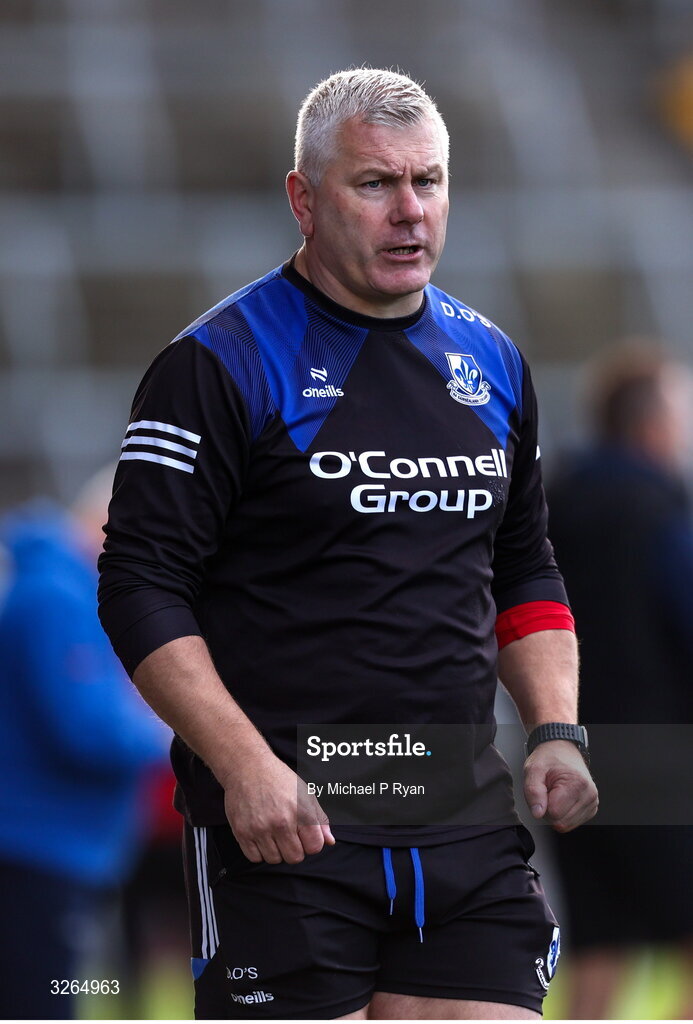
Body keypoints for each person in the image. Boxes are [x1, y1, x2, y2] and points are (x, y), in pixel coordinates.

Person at [98, 68, 598, 1021]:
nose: (410, 211)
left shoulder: (490, 362)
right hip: (289, 830)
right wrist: (244, 769)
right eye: (375, 184)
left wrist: (556, 729)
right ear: (303, 198)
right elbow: (138, 586)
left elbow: (524, 569)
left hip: (463, 827)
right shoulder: (218, 363)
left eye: (429, 181)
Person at [546, 343, 693, 1020]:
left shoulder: (552, 510)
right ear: (650, 424)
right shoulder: (660, 508)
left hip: (569, 750)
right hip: (663, 756)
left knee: (597, 947)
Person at [0, 472, 169, 1020]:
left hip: (55, 847)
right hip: (38, 848)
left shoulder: (61, 591)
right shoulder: (56, 597)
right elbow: (91, 731)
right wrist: (186, 727)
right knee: (42, 1007)